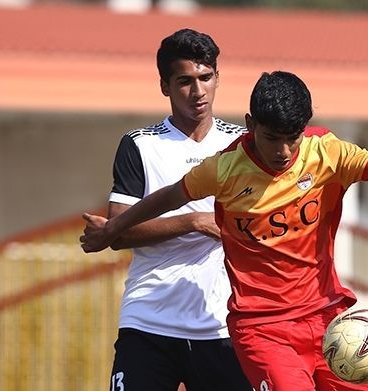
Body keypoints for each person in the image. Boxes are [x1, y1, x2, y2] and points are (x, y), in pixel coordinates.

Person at [82, 71, 368, 390]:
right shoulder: (222, 170)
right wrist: (113, 229)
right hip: (263, 330)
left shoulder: (327, 154)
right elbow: (168, 197)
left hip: (330, 321)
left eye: (292, 137)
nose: (283, 150)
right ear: (251, 125)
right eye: (272, 137)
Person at [104, 28, 251, 391]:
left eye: (205, 78)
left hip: (221, 325)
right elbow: (118, 232)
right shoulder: (140, 145)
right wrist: (193, 222)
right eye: (184, 81)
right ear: (164, 86)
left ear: (218, 78)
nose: (197, 91)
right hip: (148, 323)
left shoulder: (242, 146)